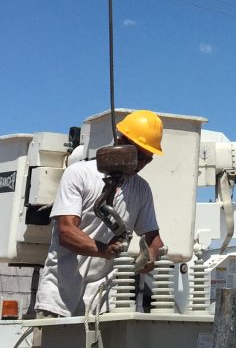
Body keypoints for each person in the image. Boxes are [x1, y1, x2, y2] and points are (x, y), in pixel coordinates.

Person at [35, 110, 166, 318]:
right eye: (138, 156)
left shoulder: (141, 190)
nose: (141, 165)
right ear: (120, 140)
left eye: (147, 160)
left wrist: (150, 256)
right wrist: (106, 250)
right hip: (60, 298)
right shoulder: (79, 174)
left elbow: (154, 240)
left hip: (103, 303)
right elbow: (66, 232)